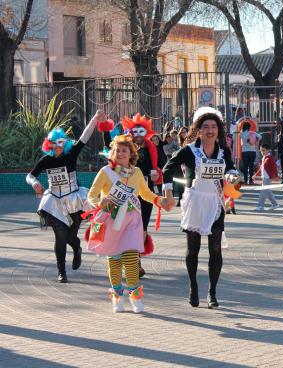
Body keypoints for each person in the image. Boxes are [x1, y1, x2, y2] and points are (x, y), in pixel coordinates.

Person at [86, 135, 174, 313]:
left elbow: (145, 193)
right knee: (115, 259)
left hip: (132, 218)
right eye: (117, 150)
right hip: (111, 219)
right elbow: (91, 195)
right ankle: (117, 297)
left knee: (132, 258)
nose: (120, 153)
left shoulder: (137, 173)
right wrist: (98, 204)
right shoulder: (105, 172)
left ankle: (135, 296)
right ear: (112, 153)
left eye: (124, 151)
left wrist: (160, 201)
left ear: (131, 154)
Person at [162, 107, 239, 309]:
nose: (210, 130)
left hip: (215, 203)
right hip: (195, 202)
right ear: (198, 130)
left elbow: (230, 167)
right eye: (206, 127)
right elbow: (167, 169)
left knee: (215, 250)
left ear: (219, 130)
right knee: (193, 250)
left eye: (214, 127)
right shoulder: (190, 150)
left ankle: (212, 292)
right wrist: (168, 194)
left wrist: (231, 175)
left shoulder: (223, 151)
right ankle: (193, 287)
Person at [26, 110, 103, 283]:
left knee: (70, 237)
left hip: (74, 200)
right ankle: (62, 271)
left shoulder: (71, 155)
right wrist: (35, 184)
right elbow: (30, 175)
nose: (58, 146)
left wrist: (95, 120)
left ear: (65, 143)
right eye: (55, 143)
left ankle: (77, 249)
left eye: (61, 143)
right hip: (54, 202)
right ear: (50, 144)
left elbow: (84, 136)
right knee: (60, 237)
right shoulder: (46, 161)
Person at [107, 114, 163, 279]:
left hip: (145, 194)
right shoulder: (125, 150)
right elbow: (113, 161)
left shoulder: (152, 148)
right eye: (135, 131)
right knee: (122, 227)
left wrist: (156, 173)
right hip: (125, 194)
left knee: (142, 228)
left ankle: (136, 260)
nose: (138, 134)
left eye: (141, 131)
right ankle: (123, 259)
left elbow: (162, 166)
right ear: (130, 132)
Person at [254, 143, 279, 211]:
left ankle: (260, 206)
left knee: (263, 192)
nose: (262, 152)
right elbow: (261, 168)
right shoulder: (264, 158)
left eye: (264, 150)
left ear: (268, 150)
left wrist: (276, 176)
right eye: (261, 150)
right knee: (267, 192)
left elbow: (274, 167)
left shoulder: (270, 158)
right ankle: (275, 204)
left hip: (267, 178)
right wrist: (256, 175)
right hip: (264, 177)